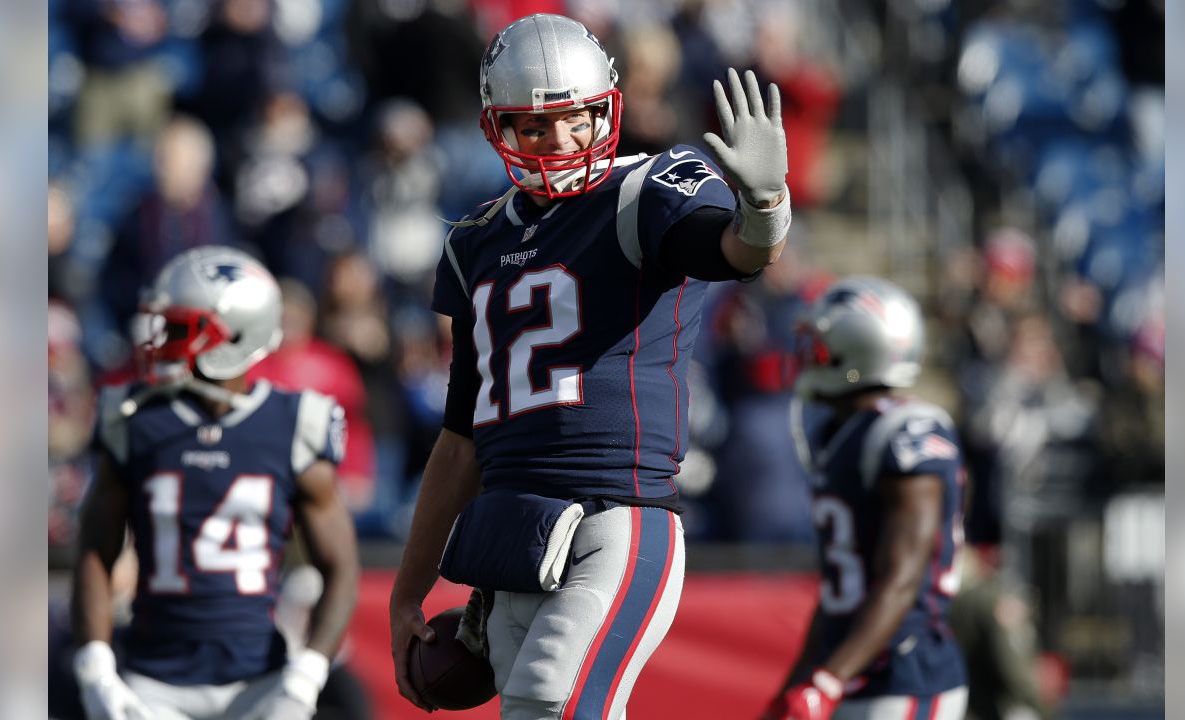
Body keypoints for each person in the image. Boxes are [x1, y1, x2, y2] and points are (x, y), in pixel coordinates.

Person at [387, 12, 792, 720]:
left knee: (560, 701)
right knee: (532, 709)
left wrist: (763, 207)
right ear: (497, 129)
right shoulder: (476, 242)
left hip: (619, 517)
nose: (558, 141)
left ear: (607, 110)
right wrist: (406, 590)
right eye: (533, 127)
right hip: (514, 532)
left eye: (576, 120)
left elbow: (731, 251)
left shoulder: (643, 192)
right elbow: (460, 436)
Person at [69, 246, 360, 720]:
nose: (161, 339)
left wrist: (304, 680)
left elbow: (341, 568)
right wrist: (96, 671)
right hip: (151, 683)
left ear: (236, 337)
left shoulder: (296, 423)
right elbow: (94, 551)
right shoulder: (134, 418)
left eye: (182, 327)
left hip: (259, 682)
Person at [766, 277, 968, 720]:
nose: (807, 353)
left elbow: (901, 578)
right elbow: (841, 591)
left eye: (819, 343)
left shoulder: (908, 432)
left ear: (860, 345)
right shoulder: (841, 432)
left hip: (904, 669)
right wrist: (800, 682)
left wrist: (825, 681)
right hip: (853, 668)